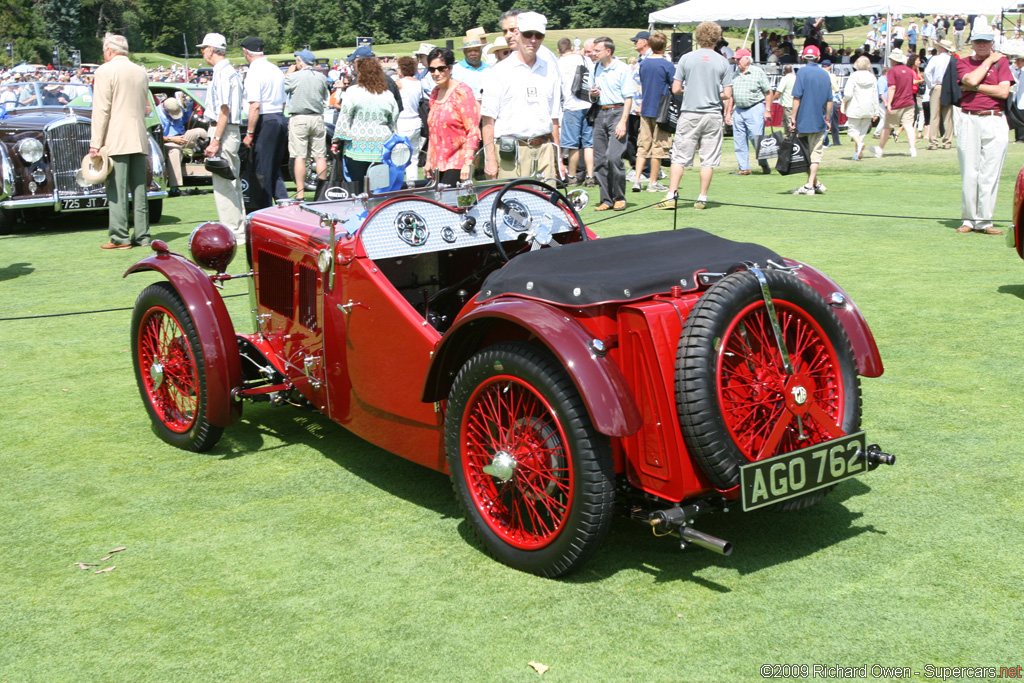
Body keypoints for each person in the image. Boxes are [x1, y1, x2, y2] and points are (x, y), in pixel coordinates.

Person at [654, 21, 733, 211]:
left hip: (690, 112)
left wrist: (689, 91)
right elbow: (727, 94)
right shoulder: (722, 61)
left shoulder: (686, 58)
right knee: (708, 158)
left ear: (698, 36)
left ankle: (672, 196)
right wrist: (713, 93)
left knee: (679, 156)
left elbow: (676, 88)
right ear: (717, 38)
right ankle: (702, 197)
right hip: (713, 114)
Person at [481, 12, 561, 181]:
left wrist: (558, 157)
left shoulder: (550, 70)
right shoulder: (498, 72)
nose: (533, 40)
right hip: (511, 155)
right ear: (518, 34)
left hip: (544, 151)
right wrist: (490, 159)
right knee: (512, 205)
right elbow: (488, 121)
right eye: (528, 34)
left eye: (538, 35)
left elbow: (554, 119)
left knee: (548, 205)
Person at [89, 32, 151, 249]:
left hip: (116, 137)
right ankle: (142, 235)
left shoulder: (105, 71)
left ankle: (119, 236)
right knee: (139, 189)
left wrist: (95, 142)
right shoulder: (140, 72)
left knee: (116, 189)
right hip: (139, 136)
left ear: (108, 50)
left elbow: (101, 110)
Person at [955, 27, 1011, 235]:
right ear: (972, 43)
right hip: (970, 118)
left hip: (995, 117)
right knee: (970, 172)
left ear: (991, 43)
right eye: (978, 41)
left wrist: (976, 87)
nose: (982, 45)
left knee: (990, 173)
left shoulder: (1002, 62)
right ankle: (969, 220)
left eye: (985, 42)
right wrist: (988, 63)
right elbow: (968, 80)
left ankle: (985, 221)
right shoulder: (963, 62)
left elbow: (1003, 91)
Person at [198, 32, 246, 242]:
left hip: (223, 130)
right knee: (231, 181)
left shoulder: (222, 72)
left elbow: (223, 109)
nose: (202, 53)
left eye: (203, 49)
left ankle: (233, 232)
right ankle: (239, 228)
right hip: (228, 130)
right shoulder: (230, 71)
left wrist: (215, 139)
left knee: (224, 184)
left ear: (211, 49)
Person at [333, 56, 398, 187]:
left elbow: (344, 119)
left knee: (356, 187)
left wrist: (336, 141)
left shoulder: (352, 92)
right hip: (381, 147)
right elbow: (393, 120)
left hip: (356, 146)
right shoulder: (387, 94)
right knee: (379, 188)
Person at [241, 36, 288, 209]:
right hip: (279, 117)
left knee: (262, 168)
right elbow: (283, 101)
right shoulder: (275, 69)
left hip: (266, 118)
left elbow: (255, 105)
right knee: (274, 166)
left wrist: (250, 133)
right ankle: (283, 201)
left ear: (246, 52)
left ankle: (263, 209)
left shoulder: (254, 72)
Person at [588, 36, 634, 211]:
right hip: (600, 113)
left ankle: (619, 197)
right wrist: (593, 94)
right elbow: (592, 95)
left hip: (617, 112)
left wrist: (623, 121)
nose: (594, 53)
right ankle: (606, 200)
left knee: (614, 157)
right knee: (599, 159)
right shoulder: (595, 68)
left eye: (597, 50)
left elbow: (628, 97)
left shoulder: (622, 68)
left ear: (608, 51)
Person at [424, 47, 480, 186]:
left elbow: (472, 130)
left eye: (441, 68)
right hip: (437, 164)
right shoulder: (435, 93)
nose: (436, 73)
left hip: (457, 163)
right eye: (432, 70)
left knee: (451, 205)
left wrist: (468, 163)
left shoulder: (462, 92)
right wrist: (429, 160)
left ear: (450, 68)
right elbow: (433, 131)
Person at [284, 48, 330, 200]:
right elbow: (324, 96)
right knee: (320, 156)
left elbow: (283, 86)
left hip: (299, 118)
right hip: (317, 117)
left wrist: (289, 73)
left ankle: (300, 193)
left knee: (300, 157)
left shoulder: (294, 76)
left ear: (299, 62)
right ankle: (322, 192)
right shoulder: (321, 77)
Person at [789, 44, 832, 195]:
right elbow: (829, 100)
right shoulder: (825, 74)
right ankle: (816, 183)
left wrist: (793, 118)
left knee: (806, 155)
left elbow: (797, 98)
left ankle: (809, 186)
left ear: (803, 57)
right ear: (818, 57)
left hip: (803, 120)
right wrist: (827, 118)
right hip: (819, 119)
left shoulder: (801, 73)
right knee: (814, 154)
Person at [634, 31, 673, 193]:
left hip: (646, 107)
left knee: (643, 145)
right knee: (658, 147)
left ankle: (636, 179)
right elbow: (674, 85)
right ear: (664, 47)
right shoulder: (667, 65)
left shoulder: (643, 64)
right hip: (661, 110)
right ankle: (653, 181)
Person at [725, 47, 773, 175]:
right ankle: (744, 168)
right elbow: (731, 96)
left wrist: (767, 110)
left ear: (747, 59)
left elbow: (768, 92)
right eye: (736, 60)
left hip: (755, 108)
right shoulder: (735, 75)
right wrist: (728, 112)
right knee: (739, 140)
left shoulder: (758, 72)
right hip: (739, 110)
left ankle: (763, 163)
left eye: (739, 59)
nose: (737, 62)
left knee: (757, 139)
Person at [557, 37, 594, 187]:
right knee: (588, 144)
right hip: (588, 103)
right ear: (572, 47)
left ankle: (572, 177)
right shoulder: (585, 59)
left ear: (559, 51)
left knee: (572, 144)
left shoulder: (558, 64)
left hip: (571, 106)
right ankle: (590, 176)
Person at [869, 49, 918, 158]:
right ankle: (913, 149)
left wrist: (889, 103)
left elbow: (892, 87)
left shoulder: (892, 71)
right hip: (909, 101)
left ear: (894, 60)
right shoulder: (909, 70)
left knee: (888, 127)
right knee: (909, 126)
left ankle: (880, 149)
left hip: (897, 102)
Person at [158, 95, 207, 197]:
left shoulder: (177, 108)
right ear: (165, 109)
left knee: (200, 131)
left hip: (182, 137)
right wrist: (172, 139)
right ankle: (175, 188)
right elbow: (155, 136)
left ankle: (215, 158)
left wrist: (197, 114)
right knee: (175, 150)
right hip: (167, 141)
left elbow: (187, 116)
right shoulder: (157, 114)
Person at [395, 56, 425, 183]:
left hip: (403, 121)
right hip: (415, 121)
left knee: (399, 156)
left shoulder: (399, 83)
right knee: (413, 156)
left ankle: (398, 183)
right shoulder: (419, 83)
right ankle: (413, 183)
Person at [842, 56, 878, 160]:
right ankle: (857, 154)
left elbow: (848, 93)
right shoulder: (872, 77)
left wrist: (844, 101)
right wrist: (876, 112)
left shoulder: (853, 76)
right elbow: (875, 94)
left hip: (855, 106)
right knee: (861, 133)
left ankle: (859, 145)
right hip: (869, 108)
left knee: (853, 131)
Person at [925, 39, 956, 149]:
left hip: (937, 87)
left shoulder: (935, 58)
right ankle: (947, 142)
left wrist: (931, 85)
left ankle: (933, 142)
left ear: (941, 48)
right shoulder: (953, 60)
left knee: (934, 115)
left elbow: (927, 72)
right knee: (948, 116)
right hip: (948, 88)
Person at [451, 35, 490, 102]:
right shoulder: (454, 71)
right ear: (464, 52)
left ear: (481, 51)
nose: (473, 53)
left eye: (476, 50)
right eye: (469, 51)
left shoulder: (490, 69)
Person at [773, 64, 797, 130]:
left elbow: (778, 92)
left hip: (787, 103)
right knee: (787, 121)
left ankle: (791, 138)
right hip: (796, 103)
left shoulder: (785, 79)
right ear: (792, 70)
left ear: (784, 71)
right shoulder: (796, 77)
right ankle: (788, 137)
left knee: (789, 123)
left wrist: (772, 99)